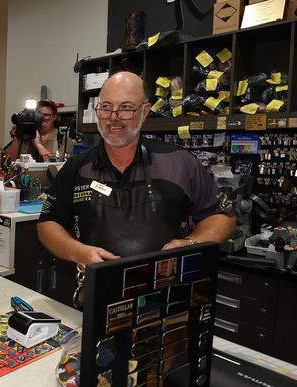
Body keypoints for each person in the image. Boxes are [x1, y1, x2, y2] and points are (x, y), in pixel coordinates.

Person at [37, 71, 235, 265]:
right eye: (106, 107)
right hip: (97, 289)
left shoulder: (180, 163)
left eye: (126, 107)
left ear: (145, 112)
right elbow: (47, 223)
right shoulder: (77, 168)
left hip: (164, 288)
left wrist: (192, 243)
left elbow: (222, 217)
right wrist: (76, 251)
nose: (113, 117)